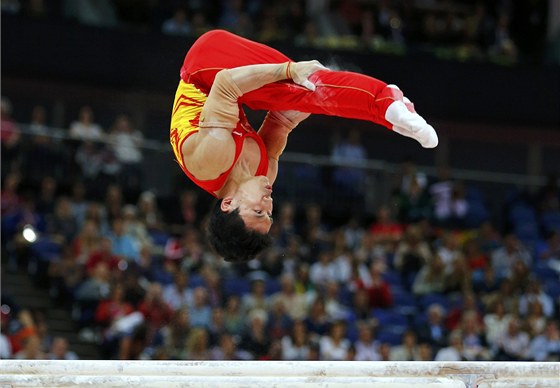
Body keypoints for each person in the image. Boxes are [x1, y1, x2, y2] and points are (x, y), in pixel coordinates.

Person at [170, 29, 438, 262]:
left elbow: (225, 85)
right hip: (231, 87)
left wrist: (288, 70)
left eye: (258, 211)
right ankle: (387, 107)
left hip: (204, 66)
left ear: (228, 203)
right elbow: (282, 119)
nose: (270, 204)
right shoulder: (265, 177)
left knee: (293, 85)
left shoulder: (210, 161)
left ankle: (385, 103)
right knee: (306, 92)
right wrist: (315, 101)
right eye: (269, 215)